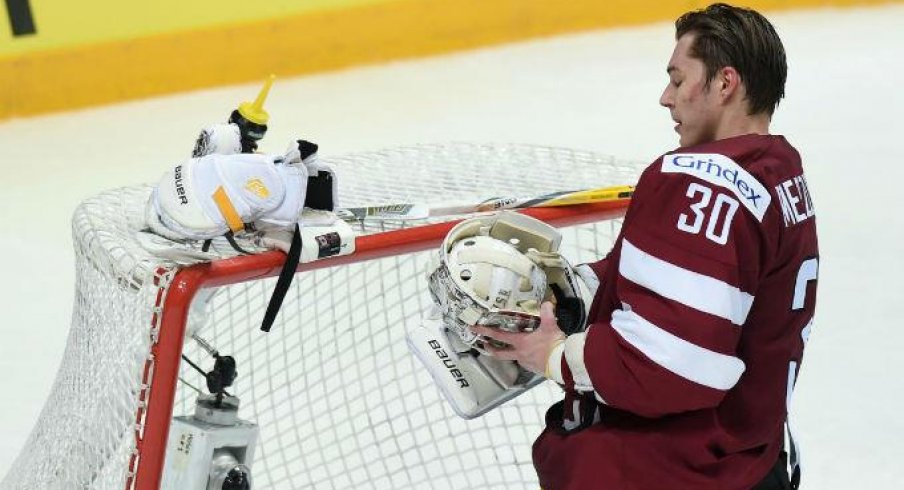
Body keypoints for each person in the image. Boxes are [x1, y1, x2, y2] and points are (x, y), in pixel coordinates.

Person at [471, 4, 818, 489]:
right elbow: (685, 291)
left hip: (673, 470)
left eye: (678, 80)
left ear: (725, 84)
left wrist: (550, 353)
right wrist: (564, 290)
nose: (665, 97)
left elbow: (671, 363)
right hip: (753, 458)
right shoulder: (779, 171)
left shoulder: (699, 182)